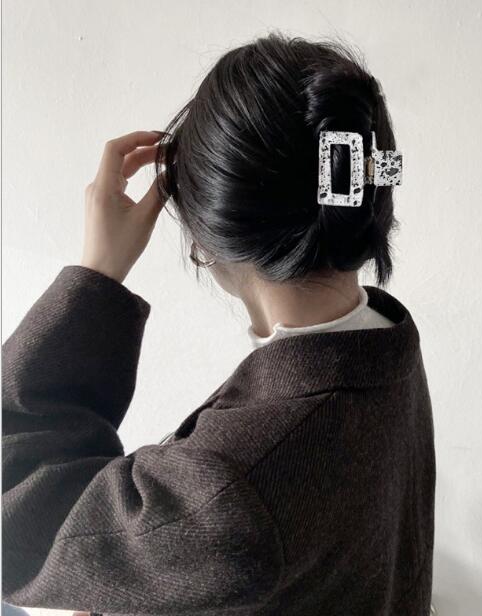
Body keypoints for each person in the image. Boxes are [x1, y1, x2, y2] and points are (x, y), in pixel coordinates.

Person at [2, 32, 436, 616]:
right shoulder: (384, 342)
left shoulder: (231, 490)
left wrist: (97, 274)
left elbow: (12, 519)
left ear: (206, 244)